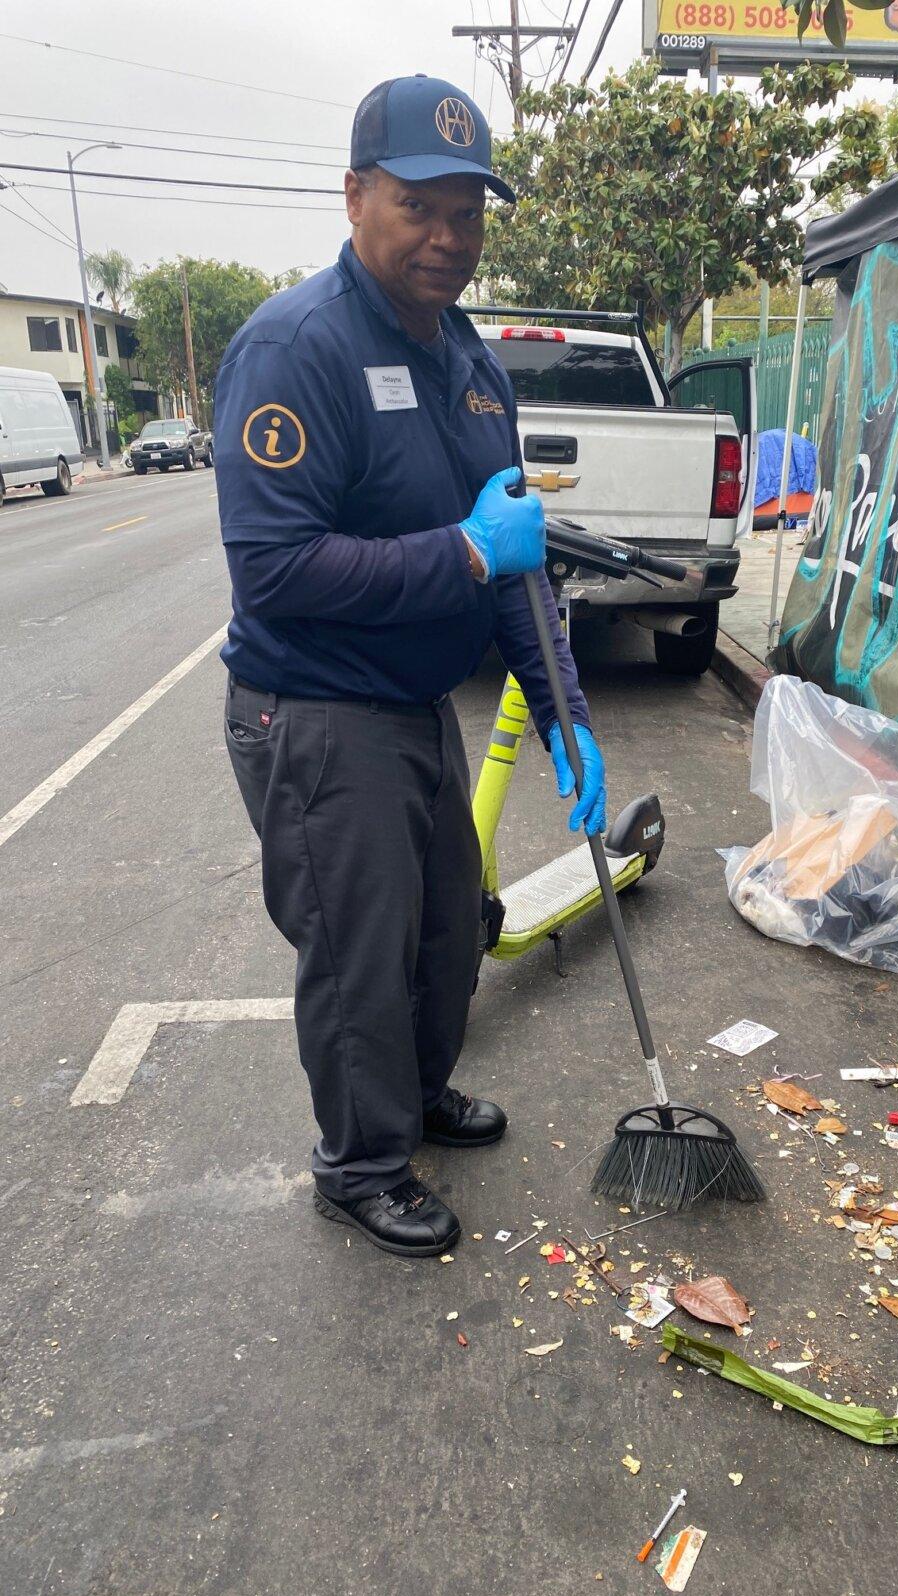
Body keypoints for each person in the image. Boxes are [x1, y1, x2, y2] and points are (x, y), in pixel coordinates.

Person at [214, 75, 607, 1260]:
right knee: (359, 951)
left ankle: (418, 1094)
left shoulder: (470, 363)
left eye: (469, 213)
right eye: (418, 207)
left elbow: (512, 569)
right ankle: (361, 1162)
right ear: (354, 196)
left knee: (450, 926)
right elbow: (276, 572)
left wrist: (564, 716)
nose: (448, 238)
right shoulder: (296, 348)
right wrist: (464, 548)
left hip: (412, 704)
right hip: (316, 709)